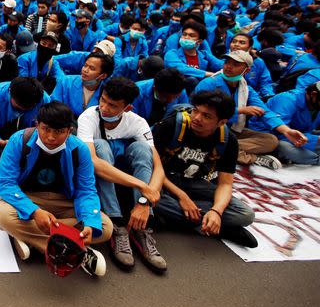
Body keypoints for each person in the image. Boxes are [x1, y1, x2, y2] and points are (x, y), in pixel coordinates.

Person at [0, 101, 110, 276]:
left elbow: (86, 191)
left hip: (63, 203)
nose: (51, 137)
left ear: (69, 131)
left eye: (59, 132)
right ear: (37, 125)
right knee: (3, 215)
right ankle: (77, 251)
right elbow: (5, 182)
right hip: (28, 198)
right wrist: (34, 212)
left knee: (104, 227)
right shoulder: (19, 140)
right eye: (46, 129)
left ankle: (28, 237)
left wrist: (89, 223)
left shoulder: (80, 149)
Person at [77, 77, 166, 273]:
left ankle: (143, 226)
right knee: (100, 146)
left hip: (127, 179)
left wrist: (144, 202)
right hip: (102, 180)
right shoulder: (88, 117)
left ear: (127, 108)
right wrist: (143, 187)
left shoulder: (138, 122)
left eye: (113, 105)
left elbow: (158, 167)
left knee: (143, 150)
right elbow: (93, 163)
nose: (104, 107)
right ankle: (117, 222)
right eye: (103, 100)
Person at [152, 90, 257, 248]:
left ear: (221, 122)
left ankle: (184, 219)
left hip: (194, 183)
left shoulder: (228, 140)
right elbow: (154, 169)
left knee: (245, 215)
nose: (197, 118)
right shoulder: (172, 125)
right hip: (163, 181)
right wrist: (182, 197)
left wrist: (216, 211)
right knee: (150, 199)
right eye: (195, 110)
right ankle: (221, 228)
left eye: (206, 116)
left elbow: (225, 184)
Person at [195, 51, 302, 171]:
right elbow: (198, 110)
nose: (229, 66)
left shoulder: (246, 89)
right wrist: (241, 110)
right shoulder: (209, 83)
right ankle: (251, 158)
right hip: (209, 128)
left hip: (232, 129)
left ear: (246, 70)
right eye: (227, 62)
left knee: (271, 140)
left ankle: (222, 149)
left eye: (236, 64)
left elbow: (264, 111)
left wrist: (286, 131)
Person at [0, 77, 49, 171]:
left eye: (29, 108)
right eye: (19, 106)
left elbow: (49, 126)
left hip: (29, 139)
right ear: (10, 92)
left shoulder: (44, 99)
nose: (23, 110)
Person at [251, 81, 320, 165]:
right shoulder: (287, 99)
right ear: (313, 94)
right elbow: (280, 133)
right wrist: (315, 139)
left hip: (301, 136)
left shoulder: (316, 104)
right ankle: (315, 159)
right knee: (283, 147)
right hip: (270, 136)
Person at [53, 52, 113, 117]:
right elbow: (54, 108)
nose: (85, 70)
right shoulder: (65, 82)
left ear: (103, 76)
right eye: (85, 65)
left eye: (92, 68)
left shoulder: (106, 92)